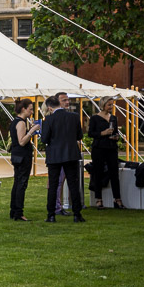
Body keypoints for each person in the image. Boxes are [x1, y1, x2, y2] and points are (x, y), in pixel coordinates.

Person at [42, 94, 85, 223]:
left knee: (53, 185)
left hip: (54, 155)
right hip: (71, 154)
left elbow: (44, 139)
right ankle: (77, 214)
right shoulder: (74, 117)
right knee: (73, 184)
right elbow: (79, 136)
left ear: (49, 108)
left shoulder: (48, 120)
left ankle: (51, 214)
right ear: (59, 104)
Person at [88, 98, 124, 209]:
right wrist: (102, 133)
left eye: (112, 105)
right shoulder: (94, 118)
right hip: (99, 148)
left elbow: (116, 132)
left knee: (114, 173)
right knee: (98, 173)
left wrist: (116, 137)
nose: (111, 107)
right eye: (109, 105)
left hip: (112, 148)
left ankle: (117, 199)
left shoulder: (113, 118)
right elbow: (90, 133)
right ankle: (99, 199)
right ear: (103, 105)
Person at [8, 98, 39, 221]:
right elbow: (21, 141)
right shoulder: (20, 122)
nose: (32, 112)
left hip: (17, 155)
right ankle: (18, 213)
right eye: (30, 109)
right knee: (21, 184)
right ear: (23, 109)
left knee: (17, 183)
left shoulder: (16, 121)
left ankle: (14, 210)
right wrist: (31, 131)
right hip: (22, 156)